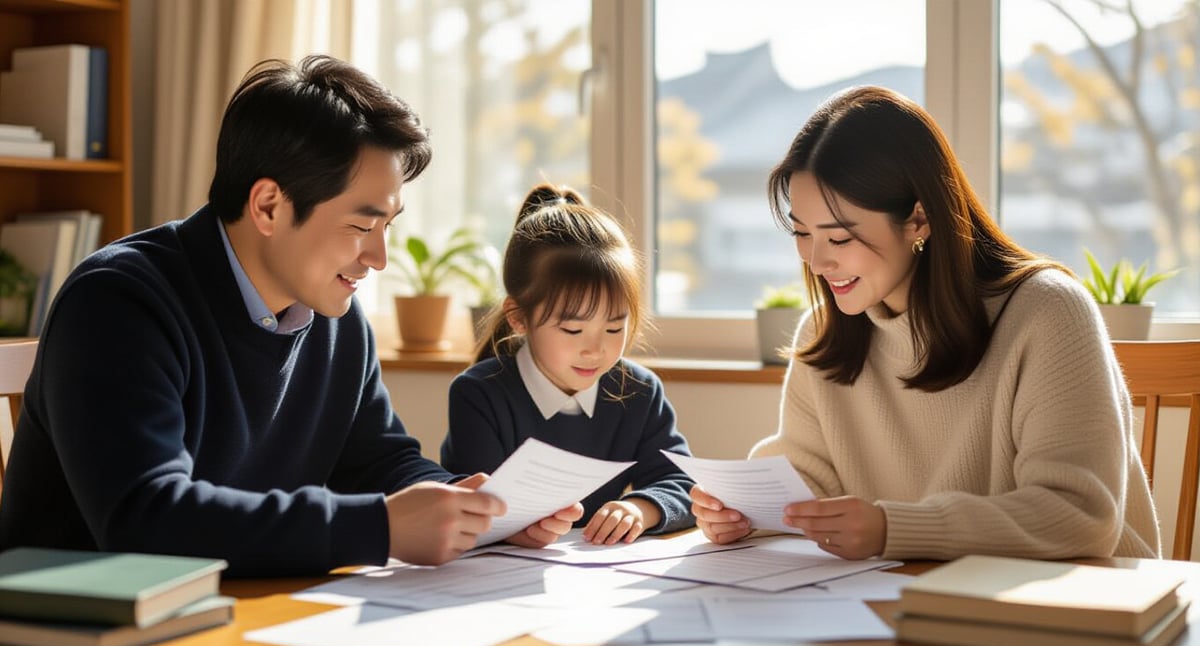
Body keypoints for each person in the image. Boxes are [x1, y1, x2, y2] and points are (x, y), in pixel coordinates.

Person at [0, 55, 580, 577]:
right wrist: (379, 527)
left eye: (388, 226)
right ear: (269, 206)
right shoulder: (119, 303)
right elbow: (145, 518)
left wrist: (471, 508)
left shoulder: (336, 316)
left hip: (241, 614)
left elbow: (378, 460)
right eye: (360, 226)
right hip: (76, 639)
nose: (378, 257)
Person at [691, 85, 1160, 561]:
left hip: (1084, 607)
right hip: (913, 596)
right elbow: (814, 476)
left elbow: (1079, 515)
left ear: (918, 219)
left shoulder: (1046, 312)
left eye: (838, 237)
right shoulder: (824, 333)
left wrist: (895, 528)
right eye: (802, 233)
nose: (816, 261)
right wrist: (748, 510)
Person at [440, 183, 696, 545]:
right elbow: (471, 503)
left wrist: (641, 508)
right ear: (518, 317)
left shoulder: (638, 391)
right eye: (573, 329)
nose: (595, 349)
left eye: (614, 327)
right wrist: (521, 529)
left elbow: (683, 483)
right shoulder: (479, 394)